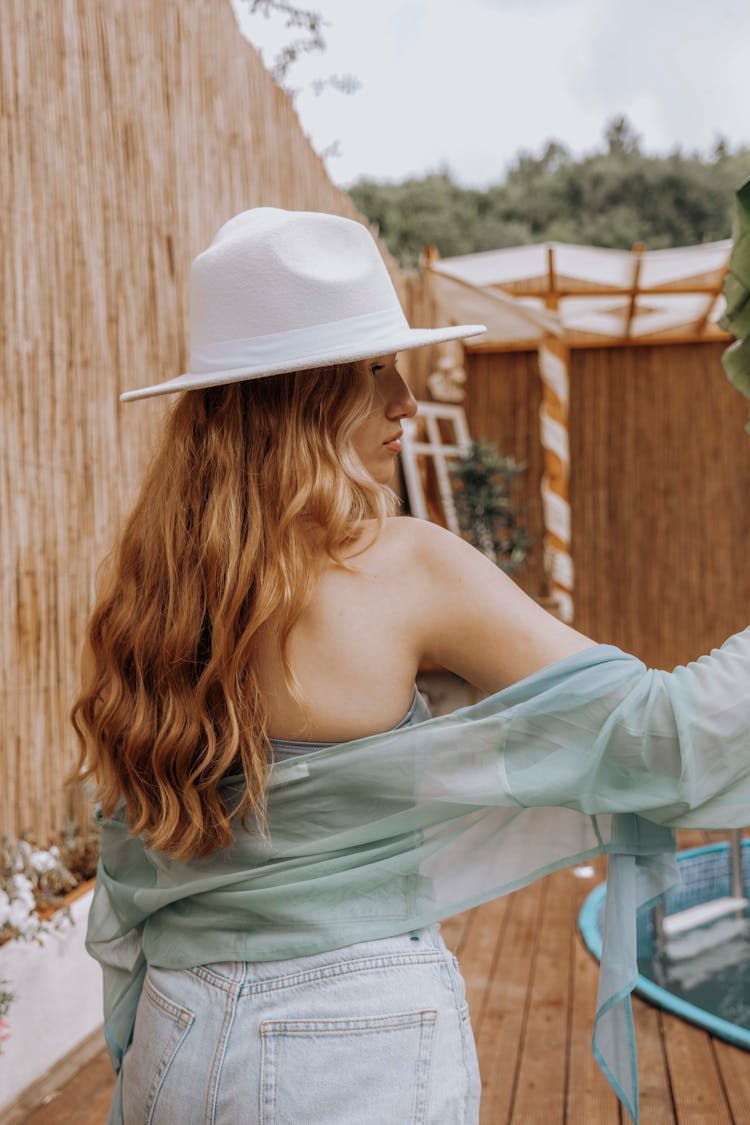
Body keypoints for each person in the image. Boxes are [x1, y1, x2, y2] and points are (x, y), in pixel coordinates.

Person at [71, 207, 750, 1125]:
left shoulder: (156, 589)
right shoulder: (405, 565)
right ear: (300, 397)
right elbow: (660, 737)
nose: (407, 400)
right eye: (373, 369)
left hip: (176, 1033)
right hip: (350, 1042)